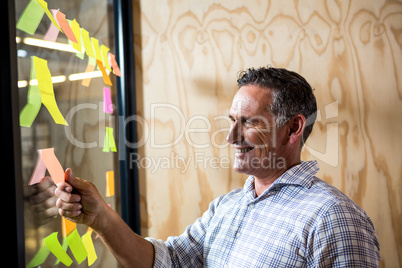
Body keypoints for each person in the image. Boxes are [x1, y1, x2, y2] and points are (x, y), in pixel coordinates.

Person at [55, 66, 380, 267]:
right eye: (231, 121)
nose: (231, 136)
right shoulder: (228, 206)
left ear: (294, 128)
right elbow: (168, 263)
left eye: (249, 122)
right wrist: (101, 219)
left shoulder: (334, 218)